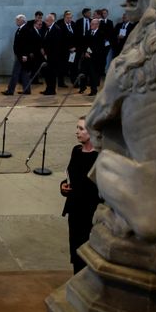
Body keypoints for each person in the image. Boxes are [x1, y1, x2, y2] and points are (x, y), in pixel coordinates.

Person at [60, 117, 100, 274]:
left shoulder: (99, 157)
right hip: (75, 209)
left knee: (88, 251)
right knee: (75, 249)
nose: (77, 132)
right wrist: (63, 186)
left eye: (81, 129)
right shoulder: (76, 151)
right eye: (77, 127)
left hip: (90, 210)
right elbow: (71, 176)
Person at [2, 14, 32, 95]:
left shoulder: (25, 29)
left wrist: (25, 55)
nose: (16, 21)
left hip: (22, 56)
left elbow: (27, 44)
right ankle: (27, 90)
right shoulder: (20, 29)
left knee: (15, 73)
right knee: (24, 73)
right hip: (20, 55)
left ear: (22, 20)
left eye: (17, 20)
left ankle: (10, 90)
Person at [79, 17, 109, 96]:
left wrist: (90, 53)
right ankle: (82, 87)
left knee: (93, 75)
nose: (91, 25)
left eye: (92, 24)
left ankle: (94, 90)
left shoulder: (101, 33)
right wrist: (85, 52)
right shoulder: (88, 32)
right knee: (83, 72)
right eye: (91, 23)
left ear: (97, 25)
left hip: (95, 58)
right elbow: (84, 44)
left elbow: (99, 47)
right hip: (86, 56)